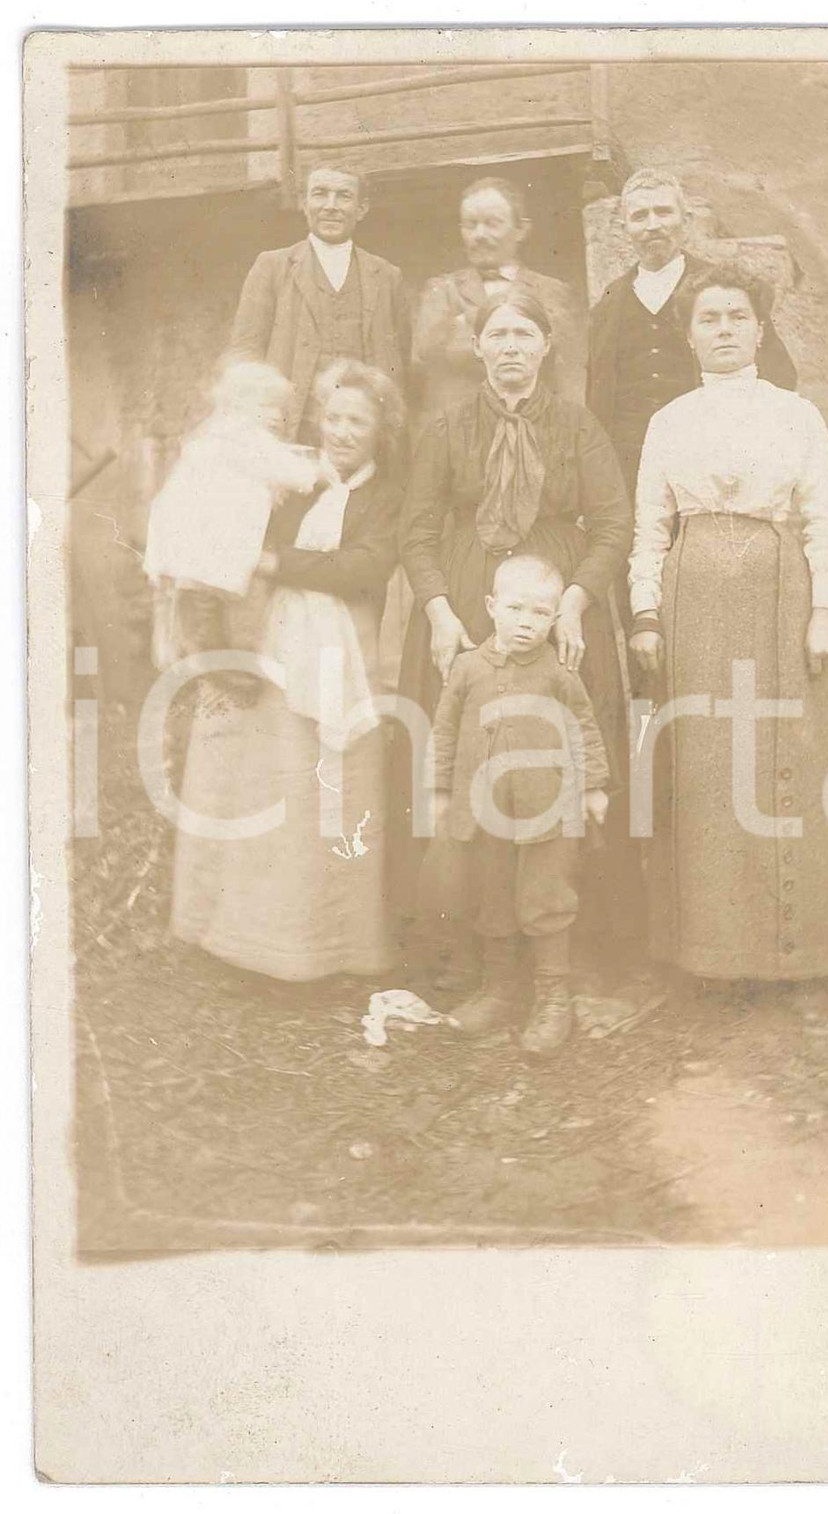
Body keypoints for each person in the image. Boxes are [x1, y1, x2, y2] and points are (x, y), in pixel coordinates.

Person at [628, 264, 828, 982]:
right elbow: (650, 530)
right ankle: (709, 948)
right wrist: (646, 614)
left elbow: (827, 517)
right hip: (692, 599)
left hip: (777, 591)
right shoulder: (668, 422)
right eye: (710, 318)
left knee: (782, 752)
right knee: (706, 767)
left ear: (760, 329)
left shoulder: (796, 414)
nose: (724, 329)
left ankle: (796, 948)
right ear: (690, 335)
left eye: (737, 316)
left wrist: (825, 610)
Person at [397, 289, 636, 977]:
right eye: (497, 335)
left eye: (523, 335)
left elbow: (614, 524)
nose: (509, 348)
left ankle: (570, 943)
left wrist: (574, 601)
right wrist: (441, 612)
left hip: (553, 597)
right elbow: (417, 533)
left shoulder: (576, 425)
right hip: (473, 596)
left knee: (554, 746)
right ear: (477, 348)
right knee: (469, 750)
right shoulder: (445, 430)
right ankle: (471, 947)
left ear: (544, 347)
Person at [170, 358, 406, 981]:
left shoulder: (386, 496)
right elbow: (232, 531)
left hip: (344, 648)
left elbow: (367, 564)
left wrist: (278, 565)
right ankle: (242, 938)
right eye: (333, 417)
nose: (342, 432)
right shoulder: (293, 480)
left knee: (329, 784)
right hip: (272, 638)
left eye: (358, 421)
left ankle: (328, 948)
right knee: (263, 783)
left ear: (381, 431)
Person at [429, 555, 609, 1055]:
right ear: (491, 607)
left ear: (555, 619)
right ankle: (499, 989)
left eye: (540, 613)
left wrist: (594, 787)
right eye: (515, 609)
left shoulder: (559, 673)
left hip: (548, 808)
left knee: (546, 897)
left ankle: (553, 998)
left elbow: (585, 729)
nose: (526, 622)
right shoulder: (467, 669)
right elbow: (444, 732)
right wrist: (441, 792)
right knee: (493, 896)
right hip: (483, 808)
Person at [588, 167, 798, 495]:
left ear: (685, 220)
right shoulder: (609, 303)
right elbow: (598, 396)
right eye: (640, 215)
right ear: (624, 228)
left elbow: (779, 375)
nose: (652, 224)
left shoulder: (723, 288)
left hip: (710, 462)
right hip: (632, 470)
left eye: (663, 212)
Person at [143, 360, 317, 669]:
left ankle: (209, 667)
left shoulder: (214, 439)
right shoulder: (243, 436)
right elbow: (297, 473)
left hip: (195, 555)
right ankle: (221, 673)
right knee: (217, 625)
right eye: (267, 406)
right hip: (211, 559)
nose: (278, 416)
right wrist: (323, 471)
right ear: (236, 406)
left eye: (281, 409)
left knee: (205, 621)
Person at [228, 163, 410, 443]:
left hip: (362, 433)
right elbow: (245, 353)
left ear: (362, 209)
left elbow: (400, 361)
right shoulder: (272, 267)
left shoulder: (387, 276)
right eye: (320, 194)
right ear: (304, 203)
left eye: (344, 196)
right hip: (294, 429)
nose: (331, 206)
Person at [412, 175, 587, 415]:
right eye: (471, 225)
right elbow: (426, 355)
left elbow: (569, 375)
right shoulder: (441, 290)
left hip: (533, 431)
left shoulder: (552, 292)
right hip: (461, 436)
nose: (479, 235)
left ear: (521, 229)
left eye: (492, 223)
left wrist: (466, 329)